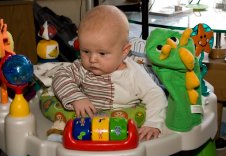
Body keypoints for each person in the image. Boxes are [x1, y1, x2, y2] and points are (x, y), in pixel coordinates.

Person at [52, 5, 167, 141]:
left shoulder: (133, 73)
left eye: (102, 53)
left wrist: (153, 123)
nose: (92, 59)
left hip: (123, 126)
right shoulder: (81, 68)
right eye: (86, 51)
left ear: (124, 51)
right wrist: (77, 98)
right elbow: (60, 76)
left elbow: (155, 95)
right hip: (87, 125)